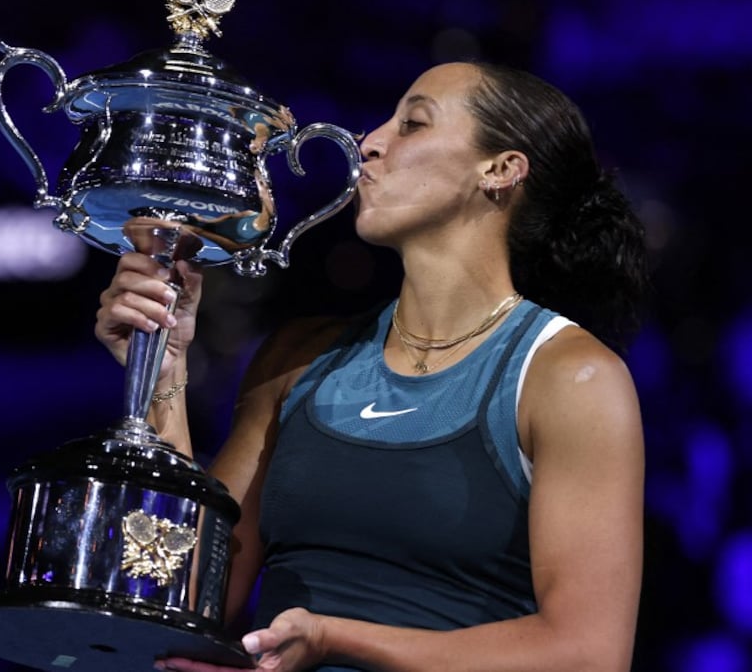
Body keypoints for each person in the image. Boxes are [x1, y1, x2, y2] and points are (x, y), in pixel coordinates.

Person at [93, 60, 649, 672]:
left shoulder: (569, 376)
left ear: (500, 170)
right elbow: (185, 595)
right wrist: (163, 370)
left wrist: (336, 639)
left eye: (411, 124)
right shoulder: (296, 359)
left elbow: (589, 655)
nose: (370, 142)